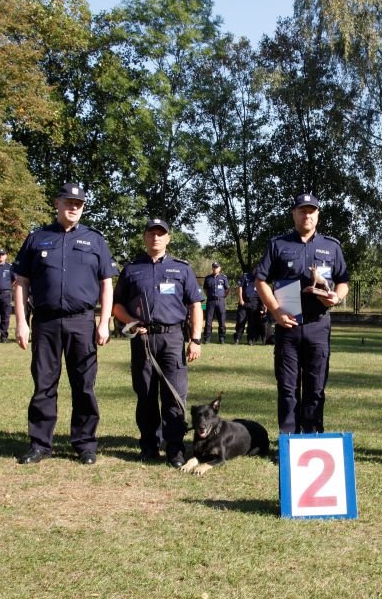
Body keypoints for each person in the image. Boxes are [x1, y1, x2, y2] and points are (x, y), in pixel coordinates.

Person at [13, 183, 116, 465]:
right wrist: (22, 322)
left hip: (82, 322)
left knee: (84, 385)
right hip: (45, 323)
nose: (74, 207)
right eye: (68, 201)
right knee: (44, 384)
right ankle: (40, 444)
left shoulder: (95, 240)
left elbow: (107, 284)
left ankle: (85, 444)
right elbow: (21, 283)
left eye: (79, 203)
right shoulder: (37, 238)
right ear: (57, 203)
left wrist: (104, 322)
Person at [254, 193, 349, 437]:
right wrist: (275, 310)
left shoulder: (331, 246)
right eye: (302, 210)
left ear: (318, 214)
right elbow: (261, 281)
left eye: (311, 211)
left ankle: (313, 438)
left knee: (316, 387)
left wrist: (336, 297)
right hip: (288, 325)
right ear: (294, 214)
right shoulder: (278, 244)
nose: (307, 215)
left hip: (318, 325)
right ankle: (288, 441)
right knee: (287, 388)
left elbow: (343, 282)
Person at [112, 218, 204, 467]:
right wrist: (131, 321)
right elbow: (116, 305)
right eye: (151, 233)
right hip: (142, 339)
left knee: (174, 396)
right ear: (144, 237)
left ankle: (175, 448)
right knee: (146, 394)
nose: (155, 237)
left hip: (173, 338)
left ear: (168, 238)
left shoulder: (182, 268)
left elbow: (195, 305)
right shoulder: (131, 269)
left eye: (160, 233)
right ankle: (149, 446)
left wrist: (195, 339)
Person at [202, 262, 229, 344]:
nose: (215, 269)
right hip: (211, 301)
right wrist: (210, 296)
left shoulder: (224, 278)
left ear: (219, 268)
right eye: (213, 267)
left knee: (222, 320)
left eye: (216, 267)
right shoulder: (208, 278)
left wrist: (222, 296)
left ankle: (222, 338)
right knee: (208, 320)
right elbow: (205, 289)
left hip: (220, 301)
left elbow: (227, 289)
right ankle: (207, 338)